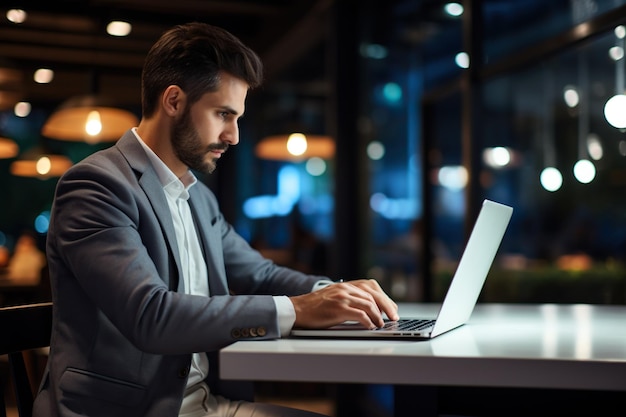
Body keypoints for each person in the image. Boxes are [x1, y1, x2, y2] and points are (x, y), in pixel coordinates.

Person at [33, 22, 398, 417]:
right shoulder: (96, 185)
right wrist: (300, 308)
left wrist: (339, 295)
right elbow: (150, 315)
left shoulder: (198, 197)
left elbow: (259, 274)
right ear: (173, 101)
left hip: (205, 404)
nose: (234, 135)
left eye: (237, 117)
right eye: (223, 114)